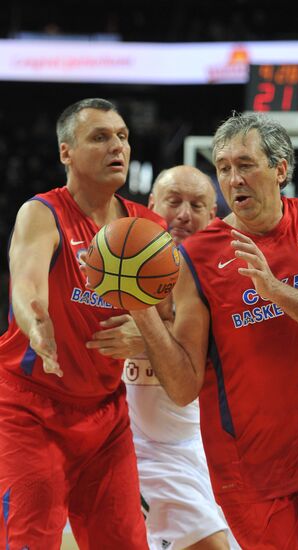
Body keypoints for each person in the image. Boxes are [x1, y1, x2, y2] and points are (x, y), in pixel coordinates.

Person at [128, 112, 298, 549]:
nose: (233, 178)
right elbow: (183, 387)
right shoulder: (197, 257)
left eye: (245, 164)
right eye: (223, 168)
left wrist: (276, 291)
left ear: (280, 169)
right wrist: (141, 312)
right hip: (248, 466)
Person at [0, 97, 170, 549]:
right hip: (31, 407)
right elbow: (26, 284)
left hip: (106, 415)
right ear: (66, 152)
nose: (117, 145)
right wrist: (36, 324)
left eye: (122, 137)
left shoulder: (148, 228)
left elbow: (177, 322)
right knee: (30, 540)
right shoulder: (42, 213)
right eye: (100, 137)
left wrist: (149, 335)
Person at [87, 165, 240, 549]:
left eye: (197, 205)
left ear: (213, 218)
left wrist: (147, 338)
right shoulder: (110, 262)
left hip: (207, 448)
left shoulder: (227, 277)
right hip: (143, 448)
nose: (184, 214)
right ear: (152, 205)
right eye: (173, 202)